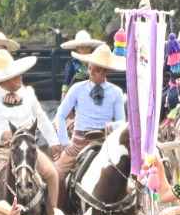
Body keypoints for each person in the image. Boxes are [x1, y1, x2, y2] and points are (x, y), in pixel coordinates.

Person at [0, 49, 62, 215]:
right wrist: (1, 134)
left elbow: (41, 119)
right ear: (6, 79)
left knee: (52, 174)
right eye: (17, 75)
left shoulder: (28, 93)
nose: (21, 77)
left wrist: (54, 142)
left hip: (27, 148)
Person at [54, 44, 126, 176]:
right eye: (89, 68)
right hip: (79, 142)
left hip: (106, 142)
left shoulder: (116, 92)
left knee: (127, 174)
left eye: (96, 70)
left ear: (105, 71)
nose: (90, 73)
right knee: (54, 174)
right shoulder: (77, 88)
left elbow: (122, 121)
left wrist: (112, 125)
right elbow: (60, 115)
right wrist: (65, 143)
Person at [59, 30, 104, 96]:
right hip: (77, 94)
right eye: (82, 48)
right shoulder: (72, 63)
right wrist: (63, 98)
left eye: (87, 47)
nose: (86, 50)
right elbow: (67, 81)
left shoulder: (95, 62)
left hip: (94, 94)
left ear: (90, 48)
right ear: (77, 49)